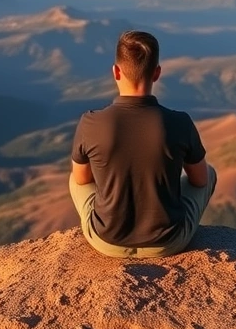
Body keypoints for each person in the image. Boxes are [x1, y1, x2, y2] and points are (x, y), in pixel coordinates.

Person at [69, 30, 217, 258]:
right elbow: (200, 180)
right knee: (209, 172)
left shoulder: (90, 122)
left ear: (116, 72)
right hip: (169, 243)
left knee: (74, 178)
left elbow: (82, 179)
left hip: (105, 241)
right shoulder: (180, 122)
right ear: (157, 73)